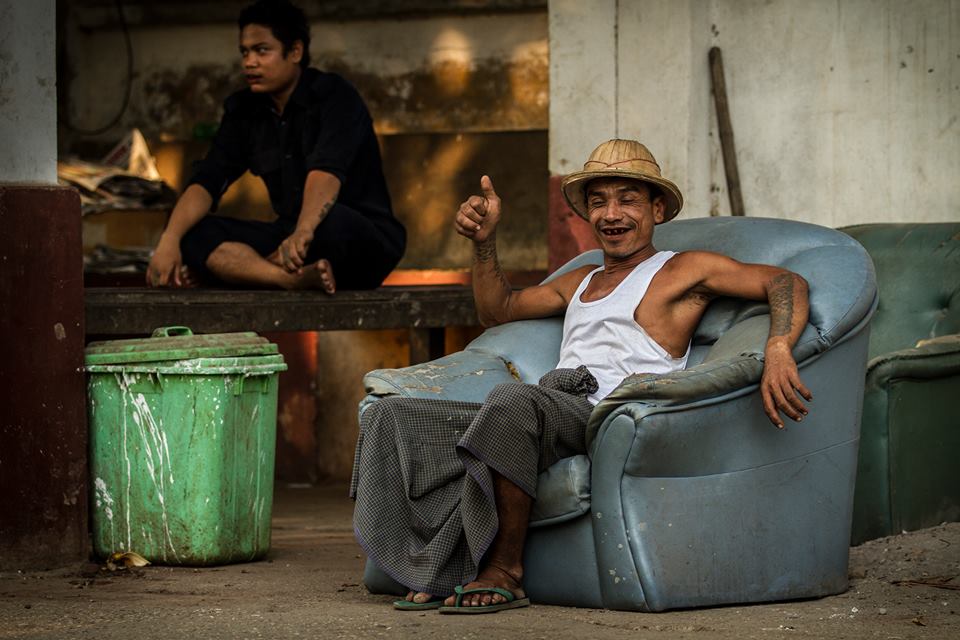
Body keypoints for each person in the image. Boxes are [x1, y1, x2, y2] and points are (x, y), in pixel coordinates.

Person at [350, 139, 812, 613]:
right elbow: (497, 310)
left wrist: (777, 346)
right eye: (598, 201)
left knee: (513, 401)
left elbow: (784, 281)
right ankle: (424, 565)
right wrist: (485, 242)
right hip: (549, 410)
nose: (612, 214)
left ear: (657, 208)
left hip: (611, 417)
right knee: (393, 416)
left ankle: (504, 570)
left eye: (627, 199)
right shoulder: (582, 279)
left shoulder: (683, 269)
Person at [146, 0, 405, 293]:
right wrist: (169, 240)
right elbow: (208, 178)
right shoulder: (244, 110)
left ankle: (256, 268)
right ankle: (285, 278)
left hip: (355, 239)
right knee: (193, 234)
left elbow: (326, 172)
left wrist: (304, 231)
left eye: (261, 50)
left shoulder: (334, 95)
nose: (249, 62)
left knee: (331, 221)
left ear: (295, 51)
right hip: (293, 239)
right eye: (244, 52)